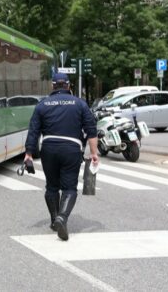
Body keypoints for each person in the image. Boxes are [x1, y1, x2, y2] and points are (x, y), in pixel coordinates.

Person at [24, 73, 98, 241]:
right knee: (69, 187)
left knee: (51, 187)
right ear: (68, 86)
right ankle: (62, 218)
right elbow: (91, 131)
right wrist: (94, 154)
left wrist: (28, 153)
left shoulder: (42, 105)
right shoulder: (80, 104)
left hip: (49, 148)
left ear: (53, 86)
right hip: (71, 148)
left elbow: (33, 131)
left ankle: (53, 220)